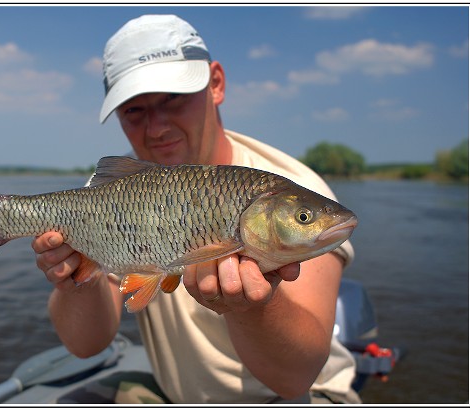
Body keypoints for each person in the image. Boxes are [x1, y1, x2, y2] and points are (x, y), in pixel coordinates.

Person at [32, 14, 361, 404]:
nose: (156, 128)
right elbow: (86, 345)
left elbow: (295, 379)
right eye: (134, 111)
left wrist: (253, 309)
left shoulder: (292, 187)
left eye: (173, 98)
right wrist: (72, 276)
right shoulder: (112, 194)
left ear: (216, 84)